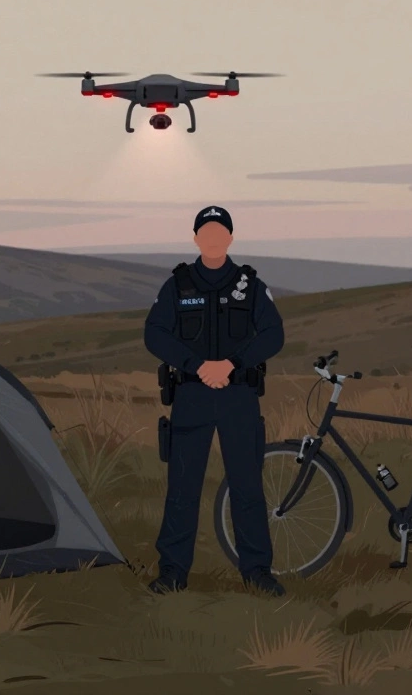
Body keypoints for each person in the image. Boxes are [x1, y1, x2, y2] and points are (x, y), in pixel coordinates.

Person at [143, 205, 286, 596]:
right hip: (191, 396)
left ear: (230, 239)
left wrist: (232, 363)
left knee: (247, 487)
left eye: (219, 232)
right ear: (195, 239)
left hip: (239, 396)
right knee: (183, 488)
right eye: (205, 232)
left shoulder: (249, 285)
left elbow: (273, 334)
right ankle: (173, 571)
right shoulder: (177, 285)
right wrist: (196, 364)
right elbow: (155, 333)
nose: (212, 238)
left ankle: (257, 571)